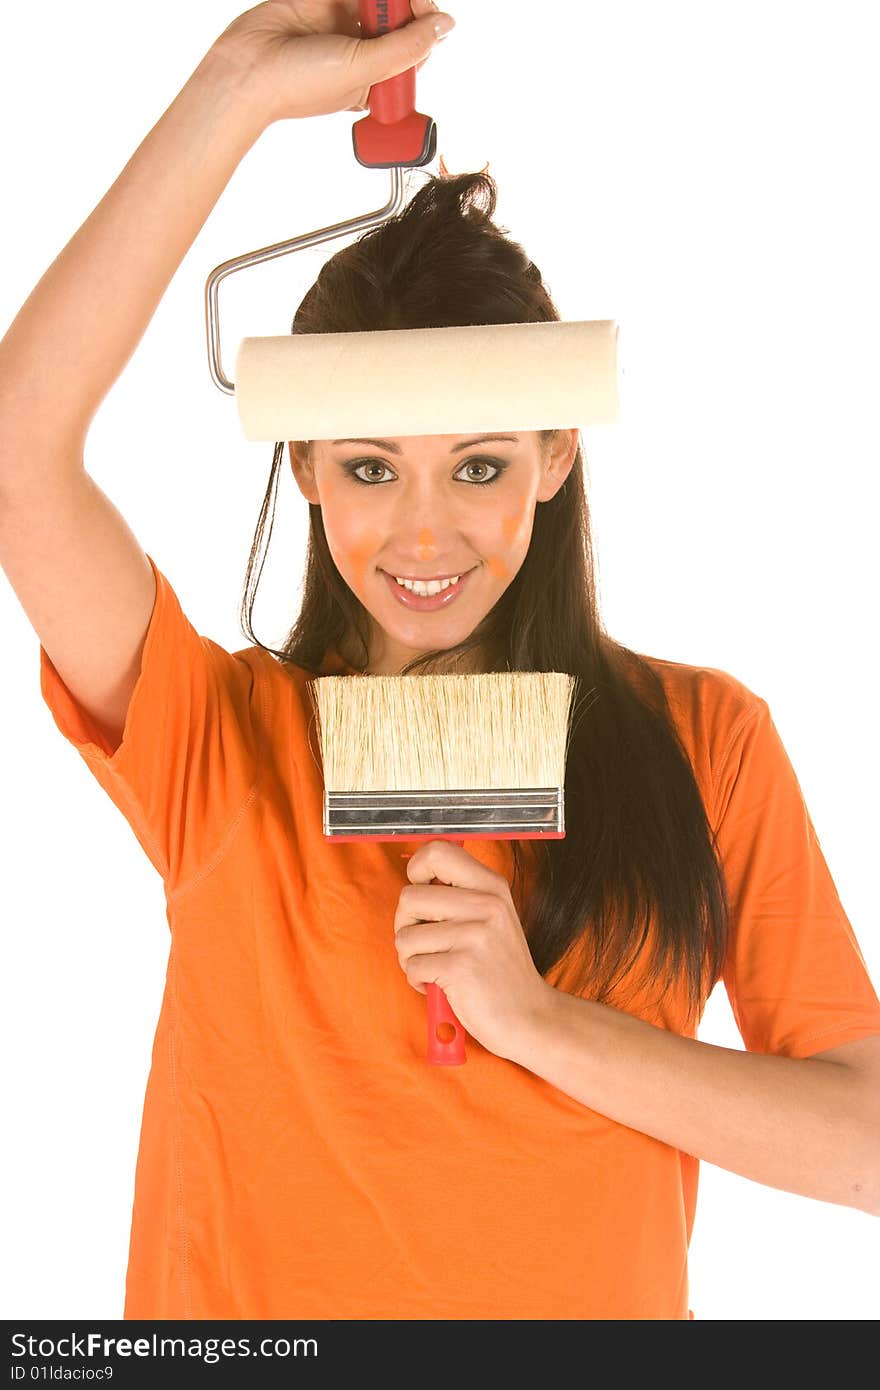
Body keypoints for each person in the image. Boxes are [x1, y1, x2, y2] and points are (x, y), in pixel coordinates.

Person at [1, 0, 878, 1322]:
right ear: (299, 462)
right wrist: (236, 86)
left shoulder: (707, 739)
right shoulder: (221, 740)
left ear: (555, 456)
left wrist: (531, 1019)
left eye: (477, 466)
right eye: (367, 467)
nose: (425, 536)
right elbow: (18, 460)